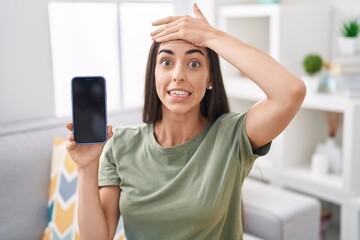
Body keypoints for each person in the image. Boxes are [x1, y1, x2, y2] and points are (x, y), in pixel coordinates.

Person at [65, 3, 306, 240]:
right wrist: (86, 167)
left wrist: (211, 36)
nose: (178, 75)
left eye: (194, 64)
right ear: (154, 75)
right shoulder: (120, 145)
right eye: (167, 62)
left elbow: (290, 92)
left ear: (210, 77)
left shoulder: (232, 135)